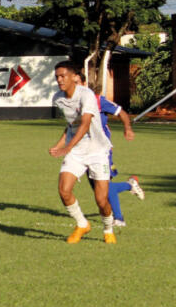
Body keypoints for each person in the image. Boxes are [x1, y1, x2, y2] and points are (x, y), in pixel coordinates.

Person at [49, 60, 115, 244]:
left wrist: (66, 148)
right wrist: (60, 144)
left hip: (97, 150)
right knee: (64, 190)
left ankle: (108, 228)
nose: (59, 80)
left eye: (63, 76)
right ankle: (82, 224)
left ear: (73, 77)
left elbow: (85, 124)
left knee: (101, 200)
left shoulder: (86, 95)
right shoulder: (57, 98)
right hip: (76, 151)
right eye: (57, 77)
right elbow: (72, 125)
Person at [71, 71, 145, 227]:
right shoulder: (73, 104)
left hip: (102, 149)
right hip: (85, 150)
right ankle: (129, 185)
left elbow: (122, 113)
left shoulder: (98, 101)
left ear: (84, 84)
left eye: (77, 83)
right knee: (97, 189)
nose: (75, 86)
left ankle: (119, 219)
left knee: (104, 185)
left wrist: (127, 128)